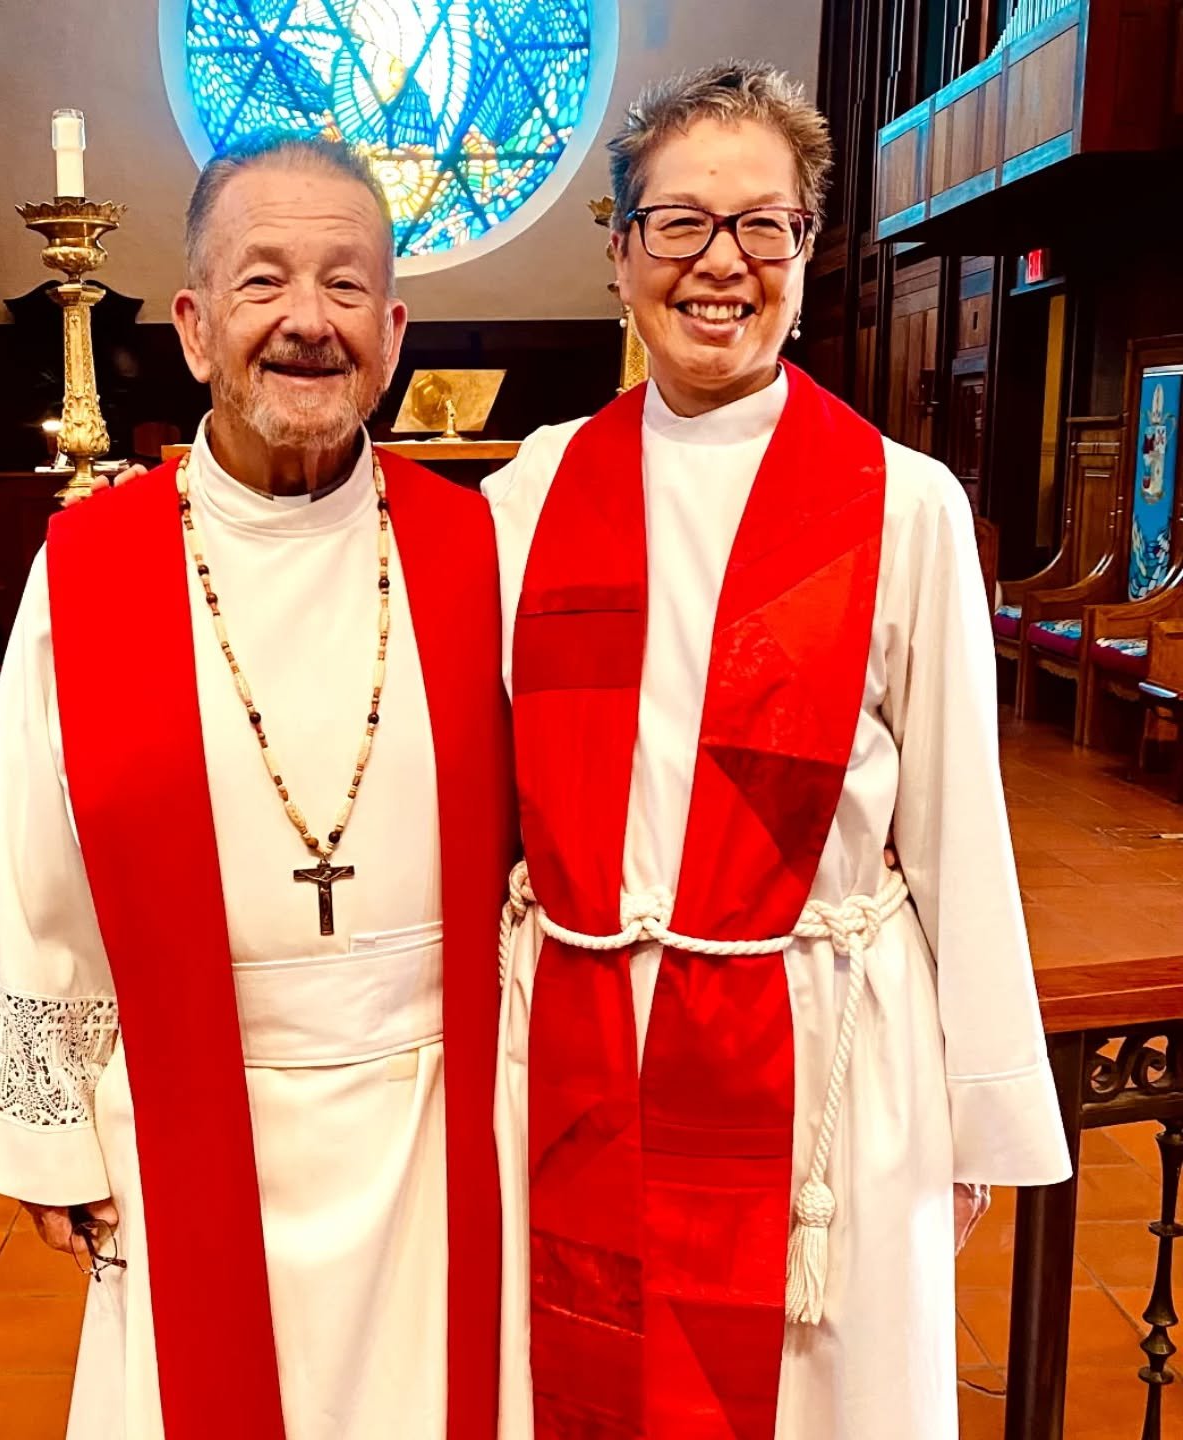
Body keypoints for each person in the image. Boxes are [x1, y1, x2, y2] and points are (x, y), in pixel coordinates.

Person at [487, 62, 1071, 1440]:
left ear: (808, 252)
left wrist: (976, 1111)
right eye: (680, 222)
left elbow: (959, 829)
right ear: (621, 252)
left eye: (765, 224)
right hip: (578, 1056)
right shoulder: (528, 497)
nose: (721, 263)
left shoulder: (903, 505)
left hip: (819, 1066)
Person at [0, 137, 513, 1440]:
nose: (308, 320)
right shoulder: (93, 568)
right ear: (191, 327)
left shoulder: (478, 545)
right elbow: (26, 854)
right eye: (263, 280)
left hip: (449, 1123)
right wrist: (46, 1128)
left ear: (393, 334)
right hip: (182, 1121)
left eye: (346, 285)